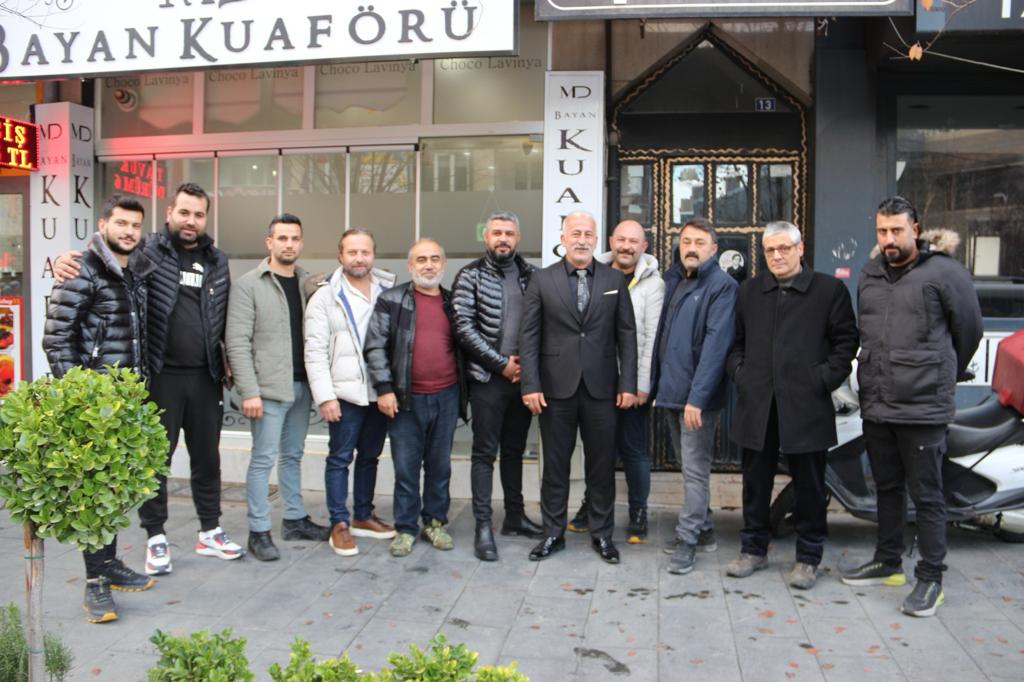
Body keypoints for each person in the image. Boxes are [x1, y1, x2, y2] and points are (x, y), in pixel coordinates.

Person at [54, 183, 241, 575]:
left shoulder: (217, 260)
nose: (191, 221)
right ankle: (155, 536)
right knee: (155, 462)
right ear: (169, 212)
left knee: (208, 459)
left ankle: (210, 530)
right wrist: (65, 260)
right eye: (184, 212)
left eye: (199, 215)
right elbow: (107, 257)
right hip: (159, 376)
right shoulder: (146, 251)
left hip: (205, 376)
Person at [842, 196, 982, 616]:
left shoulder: (945, 272)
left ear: (915, 230)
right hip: (878, 401)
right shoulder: (869, 272)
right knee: (886, 486)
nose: (889, 238)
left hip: (923, 406)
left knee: (927, 495)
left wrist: (936, 371)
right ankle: (889, 562)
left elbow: (969, 331)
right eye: (882, 231)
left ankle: (931, 578)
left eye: (896, 230)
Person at [724, 221, 858, 589]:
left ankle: (808, 557)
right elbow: (736, 343)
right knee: (755, 482)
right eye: (770, 250)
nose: (777, 256)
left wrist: (821, 379)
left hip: (807, 404)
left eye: (784, 248)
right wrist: (741, 374)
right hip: (758, 403)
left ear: (800, 249)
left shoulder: (828, 291)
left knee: (810, 485)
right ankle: (753, 549)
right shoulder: (750, 291)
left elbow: (846, 343)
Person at [43, 194, 157, 623]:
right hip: (94, 406)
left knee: (114, 490)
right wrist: (82, 396)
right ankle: (95, 584)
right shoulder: (81, 269)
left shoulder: (135, 271)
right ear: (103, 223)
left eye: (135, 225)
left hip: (126, 402)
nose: (128, 231)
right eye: (121, 223)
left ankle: (108, 564)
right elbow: (56, 340)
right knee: (93, 494)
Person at [519, 211, 638, 564]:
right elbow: (529, 336)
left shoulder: (614, 279)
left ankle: (602, 534)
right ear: (563, 238)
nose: (582, 239)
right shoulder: (542, 279)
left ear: (597, 239)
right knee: (555, 466)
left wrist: (628, 383)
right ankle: (552, 533)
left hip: (603, 388)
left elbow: (627, 335)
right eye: (576, 233)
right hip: (555, 389)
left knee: (601, 466)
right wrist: (530, 384)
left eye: (588, 234)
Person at [225, 213, 330, 562]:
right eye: (282, 238)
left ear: (301, 242)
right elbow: (237, 342)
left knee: (293, 455)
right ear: (269, 242)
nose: (289, 244)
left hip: (301, 385)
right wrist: (249, 391)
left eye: (295, 238)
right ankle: (258, 531)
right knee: (262, 460)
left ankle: (295, 520)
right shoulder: (249, 285)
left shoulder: (305, 282)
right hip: (267, 391)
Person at [364, 239, 466, 558]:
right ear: (410, 265)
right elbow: (375, 346)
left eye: (435, 259)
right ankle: (406, 528)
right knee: (406, 468)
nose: (428, 265)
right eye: (421, 259)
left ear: (443, 264)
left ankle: (434, 523)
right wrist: (384, 389)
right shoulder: (392, 300)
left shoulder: (453, 303)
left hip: (446, 396)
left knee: (439, 466)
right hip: (405, 399)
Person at [451, 211, 544, 562]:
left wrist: (527, 369)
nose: (502, 238)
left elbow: (544, 325)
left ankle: (515, 517)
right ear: (485, 236)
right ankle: (483, 526)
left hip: (523, 381)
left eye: (509, 233)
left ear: (518, 237)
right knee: (484, 454)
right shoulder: (469, 276)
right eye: (496, 233)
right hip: (488, 379)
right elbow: (463, 327)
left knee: (515, 451)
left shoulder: (533, 275)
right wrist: (501, 364)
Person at [649, 217, 737, 575]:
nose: (692, 248)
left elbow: (716, 347)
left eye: (700, 243)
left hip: (695, 399)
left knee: (695, 471)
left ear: (713, 249)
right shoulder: (675, 280)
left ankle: (687, 541)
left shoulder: (722, 286)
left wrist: (697, 399)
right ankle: (705, 530)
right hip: (671, 392)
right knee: (689, 467)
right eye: (686, 241)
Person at [568, 220, 664, 544]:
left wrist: (640, 384)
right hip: (596, 379)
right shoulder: (593, 272)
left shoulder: (653, 284)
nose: (626, 246)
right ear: (611, 241)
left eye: (634, 241)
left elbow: (650, 338)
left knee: (633, 448)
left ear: (644, 246)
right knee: (598, 451)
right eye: (621, 239)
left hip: (631, 382)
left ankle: (638, 512)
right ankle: (591, 507)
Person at [304, 229, 397, 557]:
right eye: (352, 252)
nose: (359, 258)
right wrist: (325, 397)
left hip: (379, 391)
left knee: (370, 456)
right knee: (340, 458)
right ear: (340, 256)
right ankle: (339, 523)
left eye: (365, 252)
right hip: (343, 393)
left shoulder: (387, 291)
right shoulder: (325, 297)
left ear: (373, 255)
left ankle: (363, 515)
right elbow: (314, 351)